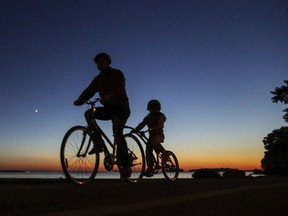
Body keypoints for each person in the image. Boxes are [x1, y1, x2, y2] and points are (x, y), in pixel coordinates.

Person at [73, 52, 131, 179]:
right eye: (98, 62)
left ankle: (126, 166)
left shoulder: (117, 73)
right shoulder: (98, 79)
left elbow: (120, 87)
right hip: (109, 108)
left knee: (117, 132)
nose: (100, 64)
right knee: (89, 113)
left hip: (121, 108)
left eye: (102, 61)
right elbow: (89, 90)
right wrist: (80, 100)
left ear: (108, 62)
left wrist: (111, 94)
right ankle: (98, 144)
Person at [135, 99, 168, 177]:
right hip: (151, 136)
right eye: (152, 108)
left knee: (155, 142)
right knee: (148, 151)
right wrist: (136, 130)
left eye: (155, 107)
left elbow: (160, 124)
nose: (153, 109)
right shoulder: (148, 117)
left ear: (158, 108)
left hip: (159, 134)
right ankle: (150, 168)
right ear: (149, 109)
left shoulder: (161, 116)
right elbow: (142, 124)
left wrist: (153, 128)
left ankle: (165, 154)